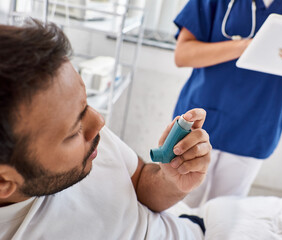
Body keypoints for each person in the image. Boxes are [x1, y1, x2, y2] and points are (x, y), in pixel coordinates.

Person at [0, 19, 212, 239]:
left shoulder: (87, 138)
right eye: (73, 131)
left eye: (85, 103)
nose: (98, 122)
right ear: (3, 181)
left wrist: (171, 180)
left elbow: (139, 183)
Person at [172, 0, 282, 207]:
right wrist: (247, 46)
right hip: (201, 119)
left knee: (224, 214)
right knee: (179, 208)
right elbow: (182, 55)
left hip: (254, 127)